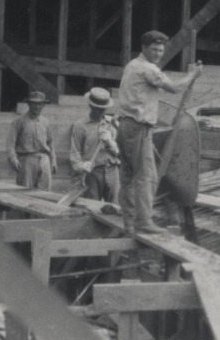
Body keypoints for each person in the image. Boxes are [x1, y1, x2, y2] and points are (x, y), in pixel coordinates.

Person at [116, 30, 202, 235]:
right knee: (147, 175)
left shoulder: (132, 65)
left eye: (161, 50)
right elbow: (173, 88)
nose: (157, 54)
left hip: (125, 126)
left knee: (128, 177)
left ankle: (129, 221)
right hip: (138, 127)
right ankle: (144, 221)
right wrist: (192, 75)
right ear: (144, 48)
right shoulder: (147, 68)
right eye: (154, 49)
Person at [69, 87, 120, 203]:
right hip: (92, 173)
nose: (102, 111)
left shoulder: (112, 123)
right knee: (91, 207)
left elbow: (121, 151)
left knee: (114, 209)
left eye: (104, 108)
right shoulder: (80, 126)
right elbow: (75, 154)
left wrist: (109, 142)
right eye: (98, 108)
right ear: (91, 106)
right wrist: (82, 166)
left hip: (112, 171)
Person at [6, 91, 56, 190]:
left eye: (40, 104)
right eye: (34, 104)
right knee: (24, 193)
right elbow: (10, 144)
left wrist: (53, 160)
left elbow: (50, 144)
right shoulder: (19, 121)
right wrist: (13, 160)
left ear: (43, 105)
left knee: (45, 194)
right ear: (29, 104)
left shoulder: (45, 122)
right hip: (26, 160)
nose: (37, 107)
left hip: (44, 160)